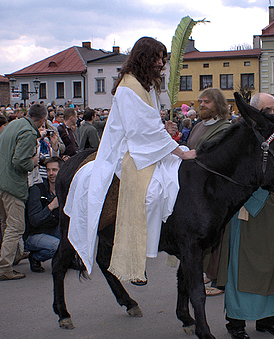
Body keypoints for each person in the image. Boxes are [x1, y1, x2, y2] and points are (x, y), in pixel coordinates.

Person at [64, 37, 196, 285]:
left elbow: (150, 125)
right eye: (156, 58)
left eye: (163, 58)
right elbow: (140, 131)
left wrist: (164, 127)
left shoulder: (146, 86)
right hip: (129, 151)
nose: (160, 63)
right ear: (143, 59)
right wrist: (180, 151)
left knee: (175, 181)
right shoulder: (129, 86)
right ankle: (136, 252)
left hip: (148, 147)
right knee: (152, 192)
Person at [217, 92, 274, 339]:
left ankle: (269, 320)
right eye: (268, 110)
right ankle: (237, 322)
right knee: (243, 269)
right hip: (248, 209)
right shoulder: (240, 135)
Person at [0, 103, 48, 281]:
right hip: (10, 184)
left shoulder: (14, 124)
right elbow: (19, 162)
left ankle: (14, 255)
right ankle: (4, 267)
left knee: (6, 223)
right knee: (16, 226)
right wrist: (33, 161)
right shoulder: (28, 132)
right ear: (42, 119)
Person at [185, 87, 231, 295]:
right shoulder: (198, 126)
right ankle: (206, 272)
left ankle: (217, 279)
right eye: (200, 101)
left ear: (218, 104)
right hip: (197, 188)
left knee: (218, 237)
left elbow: (214, 156)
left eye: (207, 102)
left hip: (215, 189)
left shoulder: (225, 128)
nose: (202, 105)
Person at [24, 157, 63, 273]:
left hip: (52, 230)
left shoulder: (63, 190)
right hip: (35, 234)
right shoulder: (37, 190)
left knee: (73, 237)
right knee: (57, 246)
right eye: (48, 170)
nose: (51, 173)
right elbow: (34, 220)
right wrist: (51, 206)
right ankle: (35, 257)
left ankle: (68, 259)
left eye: (55, 170)